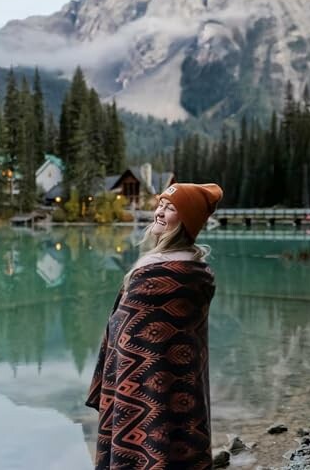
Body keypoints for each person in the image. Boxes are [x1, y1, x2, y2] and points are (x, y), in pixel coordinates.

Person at [86, 182, 223, 470]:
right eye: (161, 204)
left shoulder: (162, 272)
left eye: (171, 209)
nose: (160, 212)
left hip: (136, 386)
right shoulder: (198, 272)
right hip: (179, 387)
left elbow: (128, 333)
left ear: (187, 221)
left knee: (140, 450)